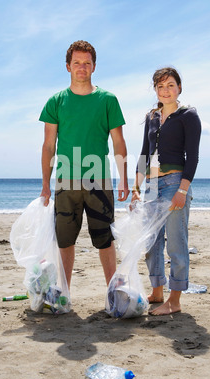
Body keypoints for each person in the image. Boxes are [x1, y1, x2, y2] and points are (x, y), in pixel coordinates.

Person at [39, 40, 129, 290]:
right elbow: (48, 146)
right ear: (68, 66)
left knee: (104, 239)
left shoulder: (108, 100)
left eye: (86, 63)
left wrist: (123, 178)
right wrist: (45, 185)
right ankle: (64, 293)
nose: (82, 67)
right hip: (65, 180)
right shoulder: (56, 102)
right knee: (65, 240)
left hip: (99, 180)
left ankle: (112, 292)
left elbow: (119, 142)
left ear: (94, 67)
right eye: (76, 63)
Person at [132, 67, 201, 315]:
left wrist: (182, 190)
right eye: (160, 86)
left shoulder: (188, 115)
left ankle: (174, 301)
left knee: (176, 243)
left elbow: (192, 156)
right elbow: (144, 153)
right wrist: (136, 187)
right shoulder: (151, 116)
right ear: (155, 90)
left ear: (179, 88)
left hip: (174, 182)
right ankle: (158, 290)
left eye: (170, 85)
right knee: (151, 242)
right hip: (150, 185)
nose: (166, 90)